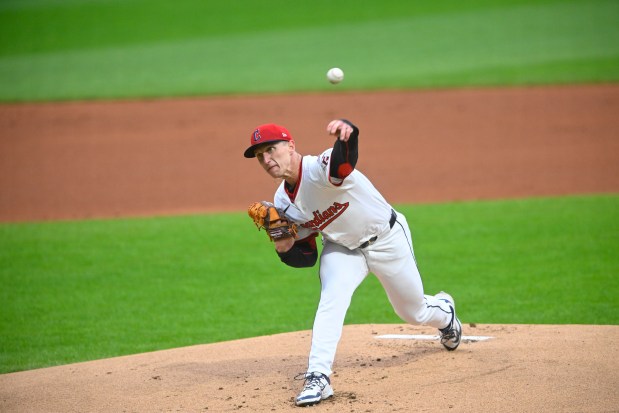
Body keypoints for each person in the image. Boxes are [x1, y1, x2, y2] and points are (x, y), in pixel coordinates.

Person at [243, 119, 462, 407]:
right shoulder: (281, 201)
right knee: (331, 299)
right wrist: (283, 247)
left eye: (271, 149)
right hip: (343, 249)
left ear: (291, 146)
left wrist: (348, 135)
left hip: (386, 239)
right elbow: (306, 258)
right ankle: (318, 376)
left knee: (413, 312)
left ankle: (445, 314)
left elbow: (342, 164)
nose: (267, 159)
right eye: (260, 156)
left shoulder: (318, 166)